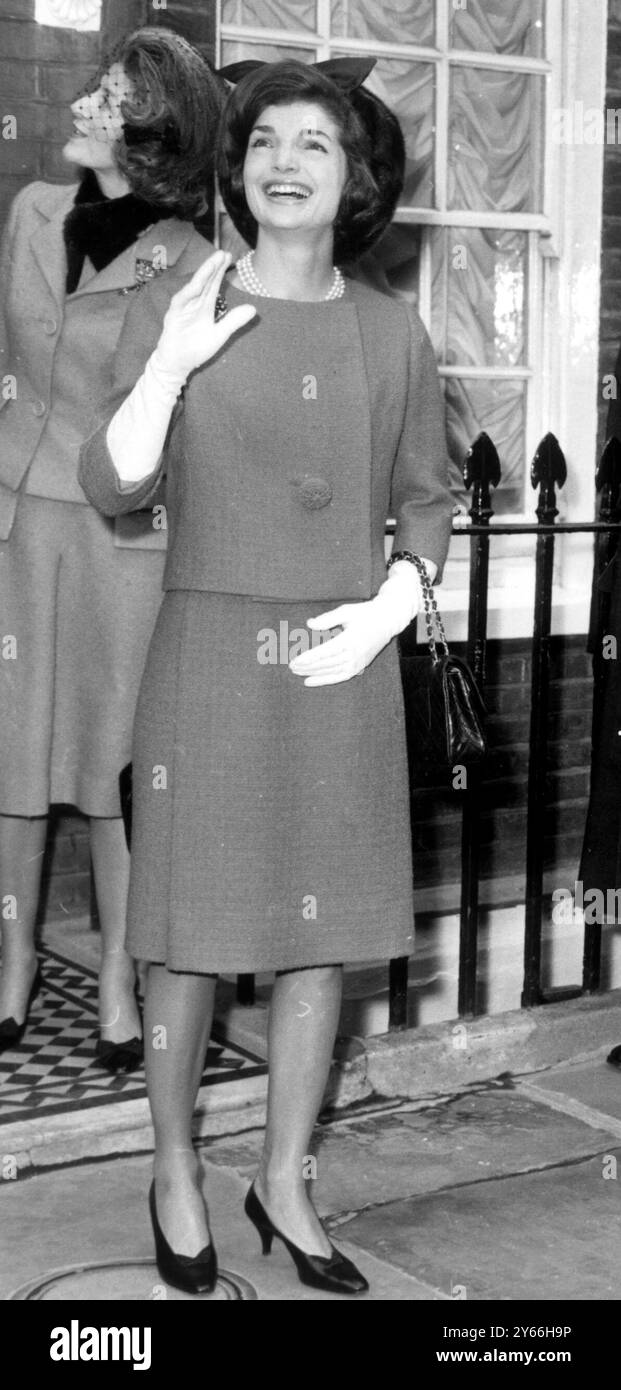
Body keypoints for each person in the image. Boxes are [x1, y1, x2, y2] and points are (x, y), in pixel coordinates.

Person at [79, 57, 453, 1295]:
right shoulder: (180, 297)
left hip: (340, 658)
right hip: (211, 657)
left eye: (318, 145)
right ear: (238, 170)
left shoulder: (391, 329)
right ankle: (176, 1167)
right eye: (267, 142)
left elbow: (422, 494)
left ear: (355, 183)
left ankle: (285, 1177)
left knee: (321, 937)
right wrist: (173, 362)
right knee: (187, 936)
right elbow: (112, 481)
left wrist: (396, 600)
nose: (286, 160)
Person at [0, 28, 225, 1070]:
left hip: (116, 540)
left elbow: (166, 417)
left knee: (110, 773)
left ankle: (118, 987)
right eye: (93, 87)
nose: (88, 104)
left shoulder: (185, 260)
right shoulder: (31, 212)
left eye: (113, 97)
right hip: (16, 524)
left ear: (150, 134)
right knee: (15, 759)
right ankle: (13, 972)